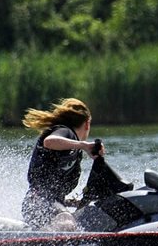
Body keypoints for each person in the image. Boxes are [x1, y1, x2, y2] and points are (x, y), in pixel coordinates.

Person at [21, 98, 104, 230]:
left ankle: (45, 242)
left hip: (39, 205)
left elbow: (53, 194)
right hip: (37, 202)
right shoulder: (66, 132)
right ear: (87, 124)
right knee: (67, 222)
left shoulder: (71, 149)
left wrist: (72, 202)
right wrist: (84, 145)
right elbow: (49, 141)